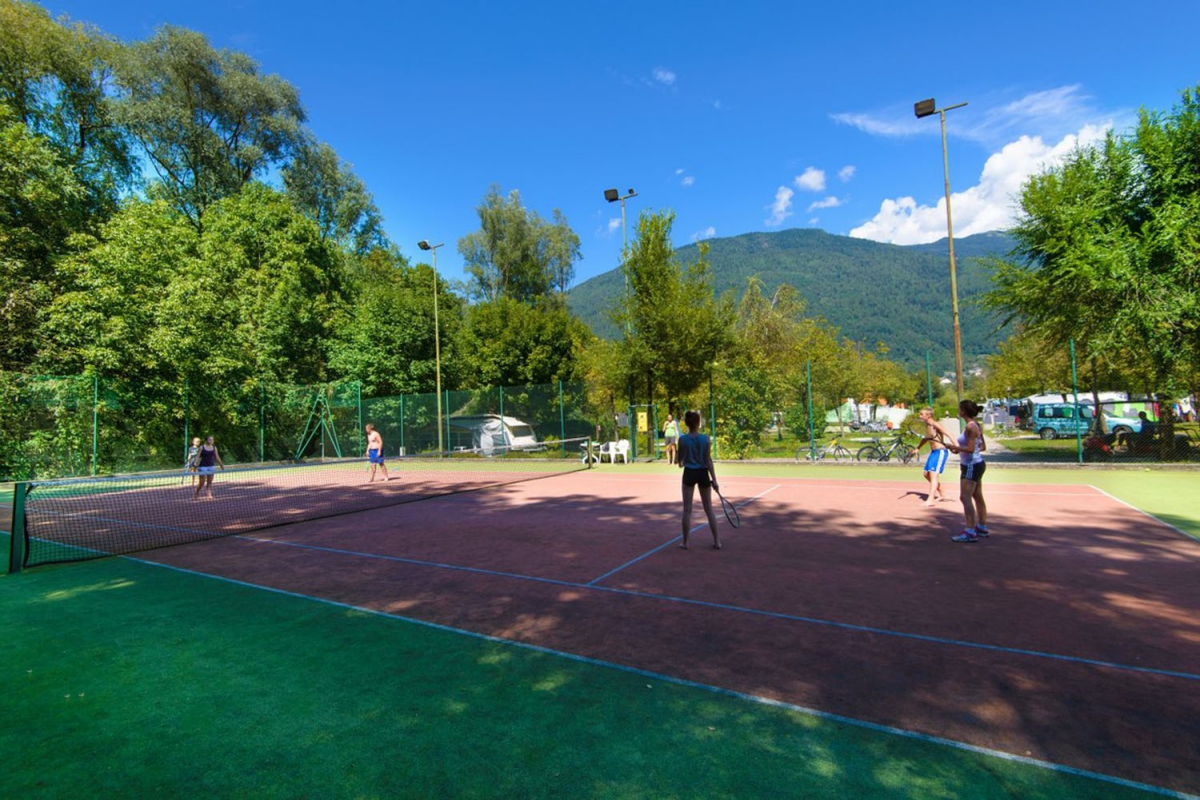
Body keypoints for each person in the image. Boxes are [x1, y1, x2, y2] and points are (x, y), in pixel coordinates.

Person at [677, 410, 721, 550]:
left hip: (689, 473)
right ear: (697, 422)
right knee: (709, 509)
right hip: (703, 473)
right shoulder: (705, 439)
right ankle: (717, 541)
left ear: (687, 423)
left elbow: (680, 462)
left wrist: (684, 460)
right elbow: (708, 460)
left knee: (687, 510)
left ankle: (685, 542)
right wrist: (714, 480)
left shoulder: (682, 439)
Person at [945, 400, 988, 542]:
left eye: (959, 408)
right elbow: (981, 447)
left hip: (970, 465)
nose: (958, 410)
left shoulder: (970, 427)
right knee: (977, 496)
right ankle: (981, 527)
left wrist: (954, 447)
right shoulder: (976, 425)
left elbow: (970, 449)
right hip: (977, 463)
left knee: (965, 497)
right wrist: (958, 450)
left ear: (963, 411)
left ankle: (970, 531)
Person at [915, 408, 951, 506]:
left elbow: (948, 434)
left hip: (940, 452)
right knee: (926, 474)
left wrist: (956, 446)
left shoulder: (935, 424)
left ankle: (930, 500)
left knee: (933, 475)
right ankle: (943, 494)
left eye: (921, 414)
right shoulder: (927, 425)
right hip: (934, 452)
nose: (920, 416)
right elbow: (926, 438)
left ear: (928, 416)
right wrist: (918, 448)